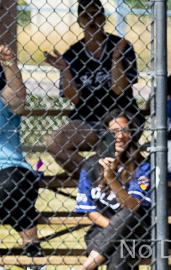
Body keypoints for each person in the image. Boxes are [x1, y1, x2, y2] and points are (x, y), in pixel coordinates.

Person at [59, 109, 150, 270]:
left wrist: (111, 178)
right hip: (100, 234)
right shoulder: (90, 166)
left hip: (137, 232)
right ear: (105, 135)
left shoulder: (142, 165)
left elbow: (134, 206)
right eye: (114, 131)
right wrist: (113, 229)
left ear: (133, 134)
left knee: (128, 217)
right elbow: (89, 210)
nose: (120, 136)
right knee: (118, 243)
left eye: (125, 130)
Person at [44, 0, 139, 176]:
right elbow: (75, 99)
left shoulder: (120, 46)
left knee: (112, 136)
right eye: (86, 15)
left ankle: (110, 182)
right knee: (55, 142)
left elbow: (119, 90)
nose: (91, 19)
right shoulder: (73, 53)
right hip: (88, 120)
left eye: (96, 13)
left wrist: (116, 59)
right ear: (79, 21)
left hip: (119, 116)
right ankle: (93, 179)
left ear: (104, 17)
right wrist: (65, 69)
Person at [0, 44, 45, 270]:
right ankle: (31, 246)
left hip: (10, 168)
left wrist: (9, 63)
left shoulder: (4, 97)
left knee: (12, 185)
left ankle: (31, 247)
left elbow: (18, 99)